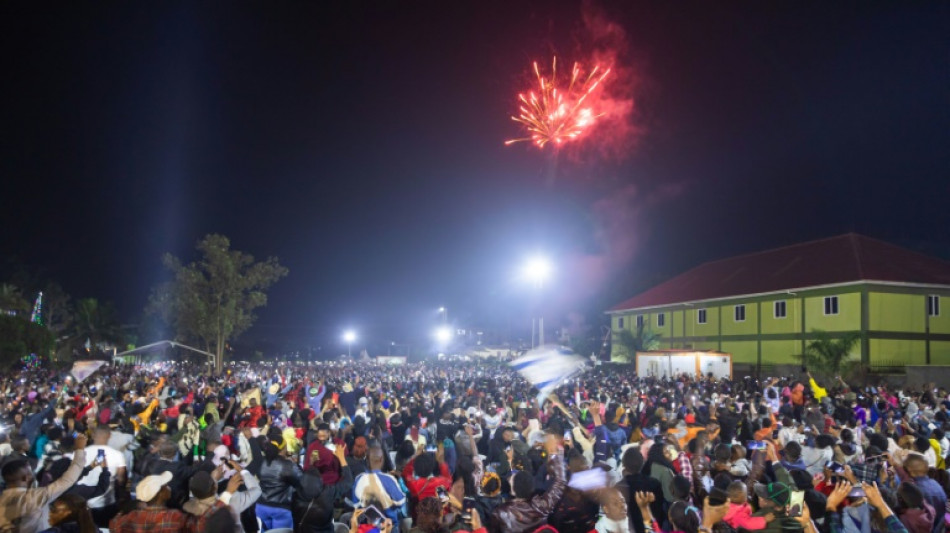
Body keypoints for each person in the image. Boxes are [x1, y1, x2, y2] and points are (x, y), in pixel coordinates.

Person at [0, 434, 88, 533]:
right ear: (25, 478)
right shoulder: (36, 497)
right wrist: (80, 450)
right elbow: (68, 479)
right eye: (30, 473)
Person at [490, 434, 565, 533]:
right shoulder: (541, 505)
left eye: (511, 480)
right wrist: (554, 455)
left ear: (512, 490)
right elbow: (560, 481)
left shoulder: (501, 513)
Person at [75, 425, 127, 527]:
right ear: (109, 436)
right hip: (106, 502)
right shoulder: (117, 455)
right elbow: (121, 480)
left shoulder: (80, 453)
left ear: (93, 436)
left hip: (82, 502)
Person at [109, 471, 188, 533]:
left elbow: (113, 525)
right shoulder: (175, 517)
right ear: (161, 494)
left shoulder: (130, 517)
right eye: (166, 485)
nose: (169, 487)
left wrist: (131, 506)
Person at [256, 434, 304, 530]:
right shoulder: (287, 465)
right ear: (284, 448)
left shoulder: (261, 462)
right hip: (280, 509)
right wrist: (295, 464)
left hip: (261, 507)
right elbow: (301, 481)